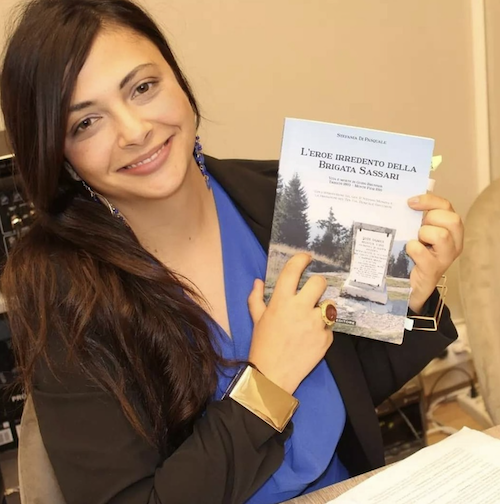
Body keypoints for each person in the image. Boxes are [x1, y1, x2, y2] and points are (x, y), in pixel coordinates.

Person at [0, 0, 463, 503]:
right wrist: (266, 384)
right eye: (86, 122)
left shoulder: (279, 198)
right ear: (62, 158)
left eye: (143, 87)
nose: (134, 131)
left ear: (177, 80)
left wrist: (412, 297)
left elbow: (339, 394)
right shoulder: (63, 298)